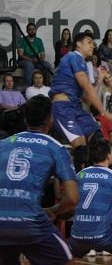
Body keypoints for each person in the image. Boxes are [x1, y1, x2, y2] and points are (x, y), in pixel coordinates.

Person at [0, 95, 79, 265]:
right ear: (50, 119)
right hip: (29, 222)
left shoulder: (4, 144)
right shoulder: (55, 148)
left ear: (26, 118)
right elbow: (73, 198)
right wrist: (54, 210)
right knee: (66, 261)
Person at [50, 31, 112, 171]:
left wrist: (99, 80)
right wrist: (103, 112)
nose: (92, 46)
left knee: (98, 138)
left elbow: (87, 99)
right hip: (63, 108)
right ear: (78, 44)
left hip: (76, 107)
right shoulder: (74, 56)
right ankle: (78, 185)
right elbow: (87, 87)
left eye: (93, 43)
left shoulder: (83, 64)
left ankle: (99, 176)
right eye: (89, 42)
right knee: (81, 148)